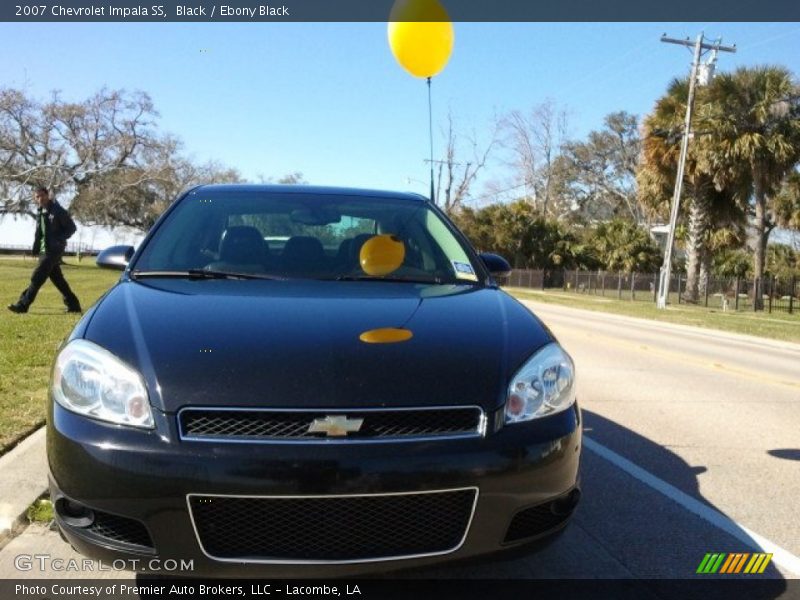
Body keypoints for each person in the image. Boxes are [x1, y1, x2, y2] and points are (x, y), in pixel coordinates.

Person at [7, 187, 82, 314]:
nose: (40, 198)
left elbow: (72, 227)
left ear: (48, 195)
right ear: (35, 199)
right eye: (37, 197)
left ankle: (22, 305)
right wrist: (36, 248)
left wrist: (59, 239)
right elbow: (40, 232)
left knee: (37, 276)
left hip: (53, 250)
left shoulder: (57, 210)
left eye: (42, 195)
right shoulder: (40, 211)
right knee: (58, 279)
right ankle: (74, 305)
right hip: (44, 249)